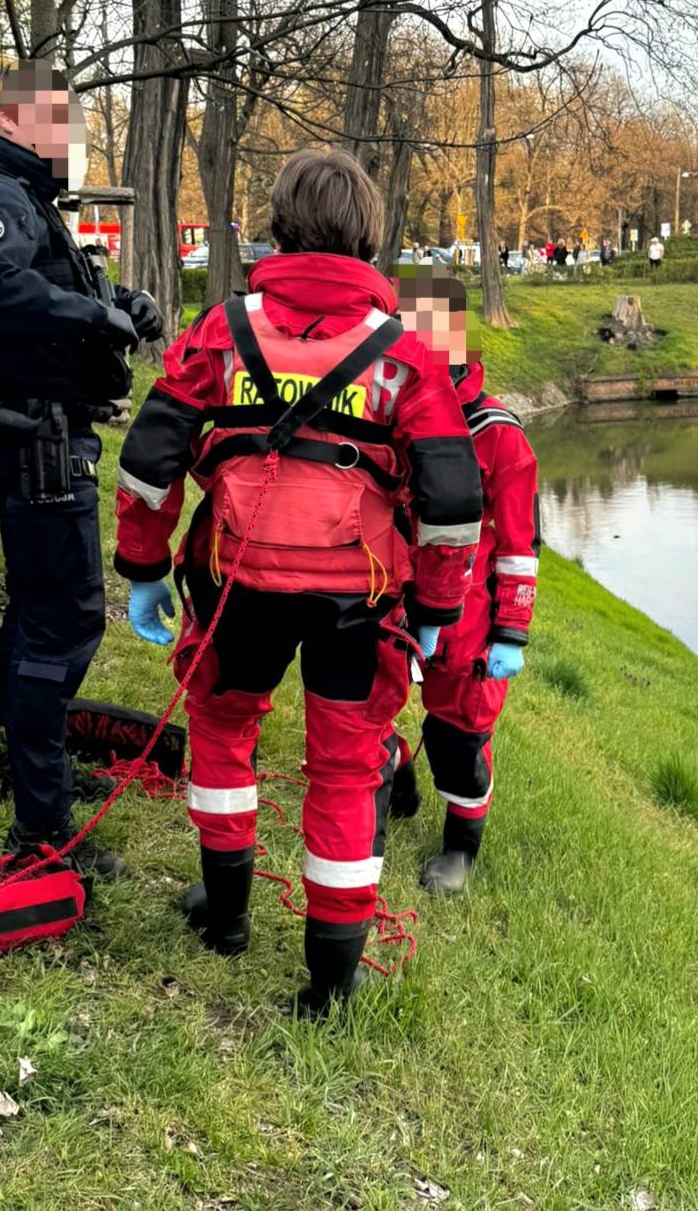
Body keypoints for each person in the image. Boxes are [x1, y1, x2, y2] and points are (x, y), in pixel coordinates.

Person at [113, 150, 483, 1014]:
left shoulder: (220, 330)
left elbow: (150, 460)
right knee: (347, 770)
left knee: (222, 730)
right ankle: (331, 981)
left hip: (234, 578)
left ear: (277, 225)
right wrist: (436, 605)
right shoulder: (406, 354)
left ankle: (226, 917)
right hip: (359, 595)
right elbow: (451, 499)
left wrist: (143, 567)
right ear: (367, 235)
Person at [0, 60, 163, 877]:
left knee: (38, 615)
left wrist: (121, 307)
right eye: (59, 122)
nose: (72, 139)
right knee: (60, 621)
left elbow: (47, 295)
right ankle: (43, 828)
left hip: (43, 431)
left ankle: (38, 767)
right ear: (12, 119)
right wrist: (92, 313)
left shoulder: (29, 200)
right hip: (33, 439)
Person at [390, 271, 537, 894]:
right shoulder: (385, 407)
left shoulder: (497, 433)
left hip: (467, 619)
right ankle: (393, 768)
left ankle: (460, 849)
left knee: (457, 735)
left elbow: (520, 545)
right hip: (389, 593)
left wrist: (511, 631)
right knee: (360, 701)